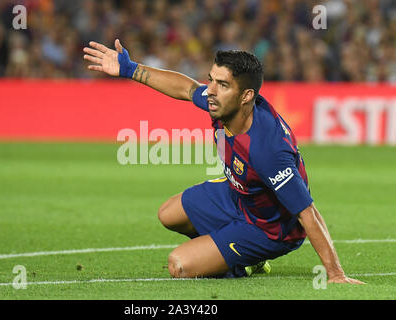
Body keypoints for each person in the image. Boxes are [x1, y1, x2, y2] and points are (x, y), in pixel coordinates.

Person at [83, 39, 364, 284]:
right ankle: (230, 247)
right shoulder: (224, 102)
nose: (211, 90)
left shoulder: (267, 151)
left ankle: (243, 261)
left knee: (179, 266)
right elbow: (186, 88)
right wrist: (131, 69)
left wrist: (335, 273)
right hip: (240, 196)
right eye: (212, 79)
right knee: (167, 213)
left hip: (268, 228)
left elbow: (308, 213)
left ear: (246, 96)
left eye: (222, 84)